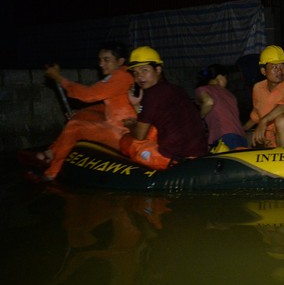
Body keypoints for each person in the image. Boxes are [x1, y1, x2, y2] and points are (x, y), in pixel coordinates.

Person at [30, 41, 136, 181]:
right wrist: (82, 113)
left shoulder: (120, 77)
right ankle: (51, 152)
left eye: (106, 60)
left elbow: (88, 95)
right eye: (100, 60)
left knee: (75, 127)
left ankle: (51, 173)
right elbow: (108, 106)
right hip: (116, 124)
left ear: (120, 61)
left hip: (122, 133)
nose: (101, 64)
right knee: (81, 115)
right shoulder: (122, 75)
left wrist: (59, 78)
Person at [120, 46, 208, 169]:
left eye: (144, 70)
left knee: (127, 140)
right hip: (199, 153)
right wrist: (136, 105)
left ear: (158, 69)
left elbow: (140, 135)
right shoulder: (176, 89)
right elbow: (155, 120)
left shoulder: (152, 94)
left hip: (174, 158)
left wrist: (129, 126)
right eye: (135, 73)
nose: (139, 77)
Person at [243, 45, 284, 148]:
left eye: (283, 66)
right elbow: (256, 115)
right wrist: (240, 130)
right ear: (263, 71)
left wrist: (264, 121)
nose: (280, 70)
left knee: (282, 120)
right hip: (271, 141)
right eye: (275, 67)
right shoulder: (258, 88)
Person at [195, 64, 247, 150]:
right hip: (240, 136)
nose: (227, 81)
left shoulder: (202, 89)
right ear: (220, 77)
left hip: (223, 135)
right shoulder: (229, 94)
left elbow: (208, 102)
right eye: (226, 78)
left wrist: (198, 118)